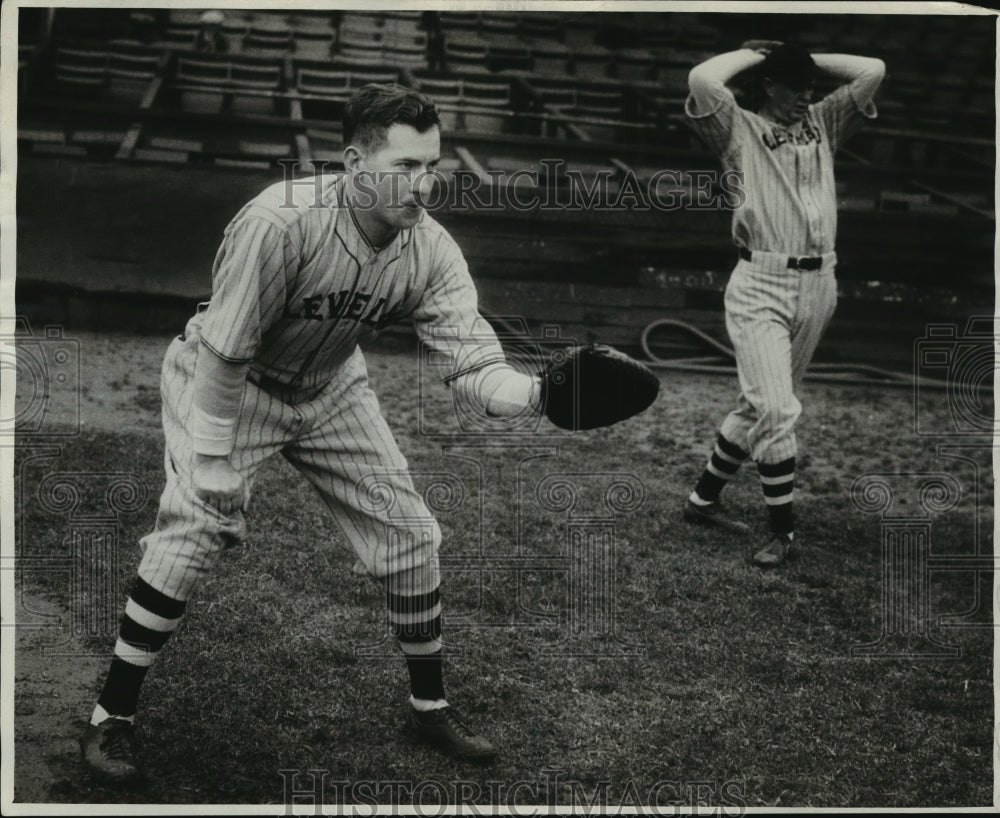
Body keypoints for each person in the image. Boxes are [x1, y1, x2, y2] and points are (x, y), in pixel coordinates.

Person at [80, 83, 544, 783]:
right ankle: (110, 716)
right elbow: (226, 351)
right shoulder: (280, 221)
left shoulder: (432, 250)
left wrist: (539, 394)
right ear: (355, 163)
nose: (425, 185)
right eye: (406, 166)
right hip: (231, 384)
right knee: (192, 532)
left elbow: (475, 366)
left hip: (331, 385)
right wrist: (210, 459)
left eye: (433, 165)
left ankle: (429, 704)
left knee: (411, 534)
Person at [681, 41, 885, 566]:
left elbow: (872, 69)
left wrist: (807, 58)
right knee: (775, 408)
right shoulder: (738, 127)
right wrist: (754, 54)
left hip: (821, 282)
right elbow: (704, 79)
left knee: (759, 405)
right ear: (768, 83)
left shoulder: (824, 120)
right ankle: (783, 531)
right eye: (793, 84)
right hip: (761, 280)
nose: (806, 95)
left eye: (810, 85)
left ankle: (702, 501)